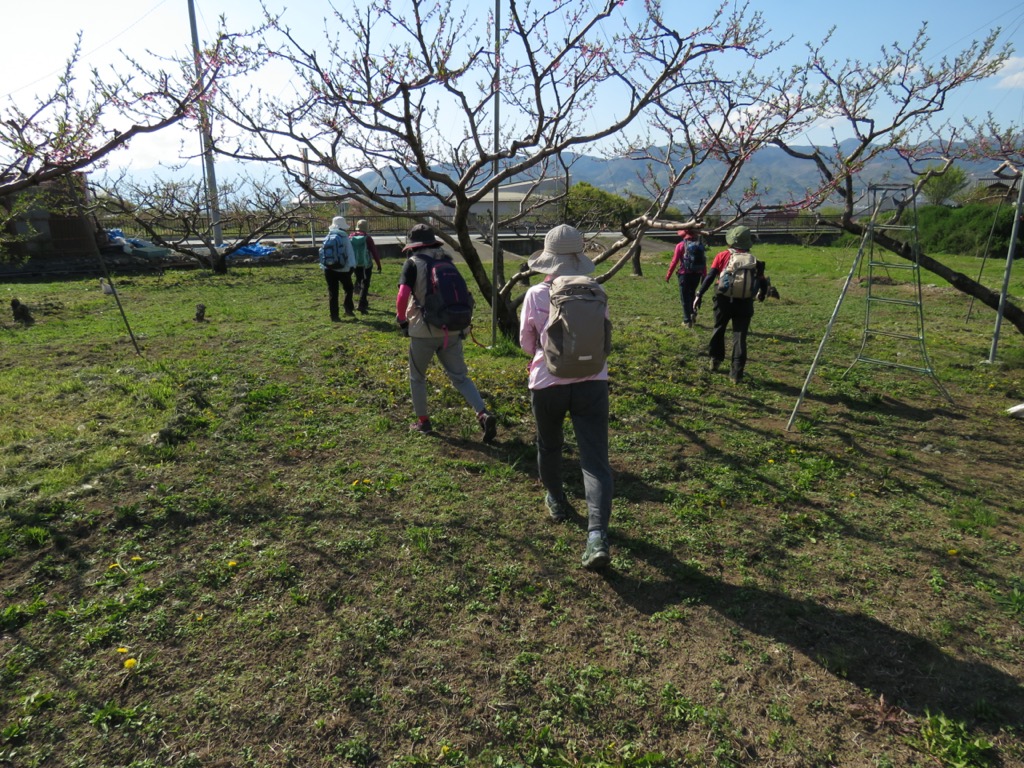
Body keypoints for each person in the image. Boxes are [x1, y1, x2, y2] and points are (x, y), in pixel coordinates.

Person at [519, 224, 614, 571]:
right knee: (595, 459)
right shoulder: (596, 291)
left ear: (549, 259)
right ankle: (597, 536)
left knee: (549, 445)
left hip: (547, 381)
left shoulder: (535, 295)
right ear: (578, 258)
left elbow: (526, 342)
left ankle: (556, 500)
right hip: (593, 381)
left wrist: (540, 357)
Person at [395, 223, 497, 443]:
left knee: (417, 377)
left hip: (423, 331)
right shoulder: (446, 261)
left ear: (413, 245)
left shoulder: (412, 263)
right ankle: (482, 413)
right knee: (460, 377)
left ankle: (423, 421)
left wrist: (402, 321)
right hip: (452, 328)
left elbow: (403, 295)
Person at [693, 225, 768, 384]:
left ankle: (715, 359)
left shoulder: (722, 256)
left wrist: (699, 294)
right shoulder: (754, 261)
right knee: (740, 337)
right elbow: (762, 282)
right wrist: (761, 295)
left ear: (730, 241)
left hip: (723, 299)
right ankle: (736, 374)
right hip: (745, 302)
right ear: (748, 243)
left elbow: (710, 277)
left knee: (719, 328)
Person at [664, 228, 706, 327]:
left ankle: (687, 320)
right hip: (697, 274)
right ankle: (692, 313)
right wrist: (704, 274)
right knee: (692, 294)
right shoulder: (700, 245)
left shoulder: (680, 245)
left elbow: (674, 262)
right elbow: (703, 261)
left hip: (684, 274)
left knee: (684, 297)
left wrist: (668, 275)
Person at [320, 216, 357, 321]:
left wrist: (324, 266)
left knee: (333, 292)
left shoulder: (327, 236)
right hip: (342, 269)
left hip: (328, 268)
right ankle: (348, 308)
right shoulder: (344, 237)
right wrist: (352, 267)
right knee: (348, 288)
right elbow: (350, 253)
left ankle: (334, 316)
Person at [350, 219, 382, 314]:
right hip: (366, 264)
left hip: (355, 263)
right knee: (365, 283)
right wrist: (378, 264)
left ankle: (362, 302)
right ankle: (361, 304)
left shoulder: (351, 236)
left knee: (359, 281)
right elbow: (374, 252)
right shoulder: (367, 238)